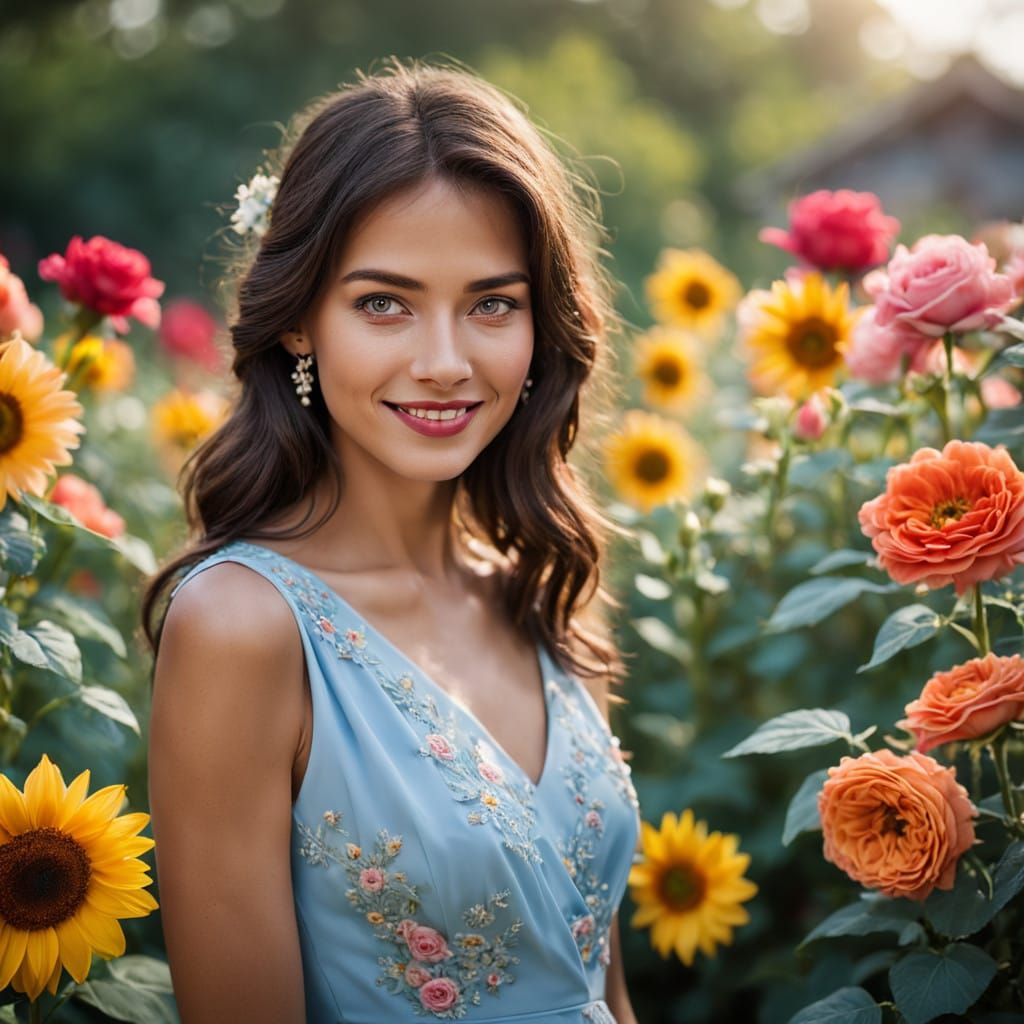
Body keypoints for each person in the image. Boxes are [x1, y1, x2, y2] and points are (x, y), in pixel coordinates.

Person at [145, 58, 641, 1024]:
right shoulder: (242, 630)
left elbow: (604, 989)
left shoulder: (545, 596)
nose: (446, 362)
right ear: (298, 322)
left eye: (493, 303)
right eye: (384, 303)